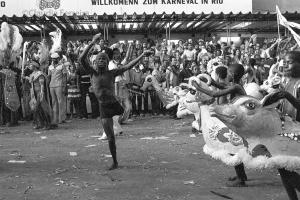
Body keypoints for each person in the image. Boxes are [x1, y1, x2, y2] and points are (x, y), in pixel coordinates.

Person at [79, 33, 152, 170]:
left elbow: (128, 66)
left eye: (104, 59)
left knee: (124, 113)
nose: (101, 61)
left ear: (107, 63)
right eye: (99, 59)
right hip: (104, 107)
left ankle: (119, 124)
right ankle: (115, 161)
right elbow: (82, 59)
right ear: (95, 62)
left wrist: (143, 55)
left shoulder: (111, 73)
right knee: (111, 137)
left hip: (115, 104)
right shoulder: (92, 73)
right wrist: (92, 42)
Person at [192, 63, 248, 187]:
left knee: (234, 146)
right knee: (234, 145)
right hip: (236, 117)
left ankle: (241, 178)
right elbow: (220, 85)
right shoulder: (234, 85)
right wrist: (210, 81)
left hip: (237, 119)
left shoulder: (236, 87)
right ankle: (241, 175)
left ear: (232, 74)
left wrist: (198, 87)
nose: (226, 74)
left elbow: (215, 94)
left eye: (228, 72)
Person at [263, 51, 300, 199]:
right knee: (282, 167)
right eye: (284, 62)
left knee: (285, 169)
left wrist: (286, 95)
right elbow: (283, 105)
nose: (285, 65)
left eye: (289, 62)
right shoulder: (287, 81)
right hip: (286, 130)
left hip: (296, 132)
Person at [27, 61, 52, 129]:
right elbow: (30, 81)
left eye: (31, 65)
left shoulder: (40, 74)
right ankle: (39, 123)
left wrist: (42, 93)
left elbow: (42, 85)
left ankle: (47, 124)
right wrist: (24, 77)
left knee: (42, 108)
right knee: (36, 108)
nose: (30, 66)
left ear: (35, 66)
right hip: (34, 93)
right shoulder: (33, 74)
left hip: (39, 93)